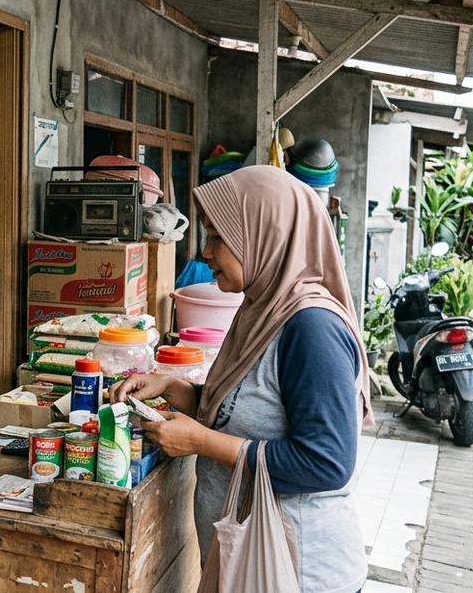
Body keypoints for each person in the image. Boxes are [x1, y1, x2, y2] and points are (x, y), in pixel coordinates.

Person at [111, 166, 370, 593]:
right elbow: (252, 410)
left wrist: (201, 441)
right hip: (251, 560)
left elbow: (327, 463)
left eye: (218, 237)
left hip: (299, 572)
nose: (205, 253)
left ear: (264, 234)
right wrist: (177, 390)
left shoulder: (312, 328)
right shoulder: (262, 308)